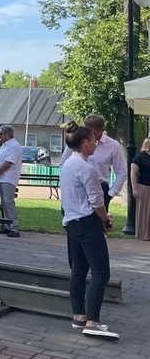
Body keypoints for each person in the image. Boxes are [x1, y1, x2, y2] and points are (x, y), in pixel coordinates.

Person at [60, 120, 119, 339]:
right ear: (85, 142)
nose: (96, 144)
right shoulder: (86, 167)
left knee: (78, 269)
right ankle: (93, 322)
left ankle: (79, 316)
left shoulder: (67, 164)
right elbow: (96, 200)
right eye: (94, 141)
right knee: (101, 272)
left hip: (71, 221)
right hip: (86, 221)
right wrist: (105, 219)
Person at [59, 114, 126, 211]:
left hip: (99, 188)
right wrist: (66, 184)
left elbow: (121, 172)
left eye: (92, 133)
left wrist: (110, 194)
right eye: (86, 131)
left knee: (98, 222)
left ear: (101, 130)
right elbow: (63, 163)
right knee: (72, 220)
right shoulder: (77, 141)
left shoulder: (113, 146)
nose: (87, 136)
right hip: (77, 187)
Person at [0, 125, 23, 237]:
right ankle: (7, 224)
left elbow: (8, 163)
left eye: (0, 133)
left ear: (7, 134)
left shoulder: (14, 146)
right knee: (4, 202)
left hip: (8, 178)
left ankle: (14, 227)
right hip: (1, 178)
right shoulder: (4, 145)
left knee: (8, 201)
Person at [130, 137, 150, 241]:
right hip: (144, 187)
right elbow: (133, 173)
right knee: (144, 210)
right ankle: (144, 234)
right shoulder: (140, 158)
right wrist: (135, 188)